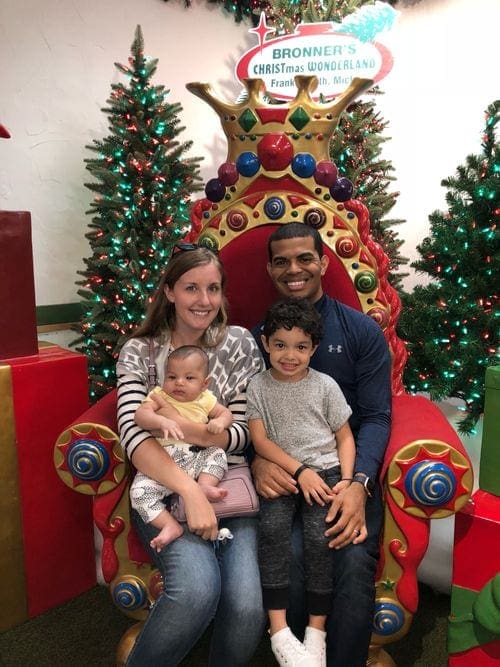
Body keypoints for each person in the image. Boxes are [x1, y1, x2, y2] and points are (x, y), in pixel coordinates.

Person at [116, 243, 266, 666]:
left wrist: (184, 430)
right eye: (191, 288)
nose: (204, 301)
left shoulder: (238, 344)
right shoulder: (140, 351)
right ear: (169, 291)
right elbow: (135, 437)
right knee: (196, 592)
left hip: (229, 488)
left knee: (247, 607)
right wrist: (191, 492)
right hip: (162, 491)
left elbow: (241, 436)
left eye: (213, 289)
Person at [251, 222, 392, 667]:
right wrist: (257, 460)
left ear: (324, 263)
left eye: (305, 258)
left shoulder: (360, 333)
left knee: (347, 558)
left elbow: (375, 416)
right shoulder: (261, 338)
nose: (294, 269)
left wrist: (358, 483)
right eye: (282, 261)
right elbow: (247, 414)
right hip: (285, 475)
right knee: (286, 550)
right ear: (270, 269)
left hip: (342, 472)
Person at [247, 297, 356, 667]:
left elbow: (344, 436)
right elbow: (260, 441)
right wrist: (297, 471)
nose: (289, 355)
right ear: (265, 343)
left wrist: (346, 479)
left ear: (314, 349)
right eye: (280, 344)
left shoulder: (325, 386)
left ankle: (316, 632)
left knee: (318, 540)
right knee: (273, 530)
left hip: (324, 474)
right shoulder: (258, 386)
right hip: (285, 475)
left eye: (300, 347)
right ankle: (278, 629)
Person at [131, 344, 233, 552]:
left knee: (217, 453)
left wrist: (220, 423)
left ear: (205, 384)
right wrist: (161, 422)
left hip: (197, 457)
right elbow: (140, 415)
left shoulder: (206, 399)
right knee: (139, 492)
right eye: (172, 377)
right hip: (162, 465)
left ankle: (205, 484)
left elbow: (226, 414)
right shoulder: (159, 396)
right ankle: (169, 524)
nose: (179, 383)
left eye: (189, 378)